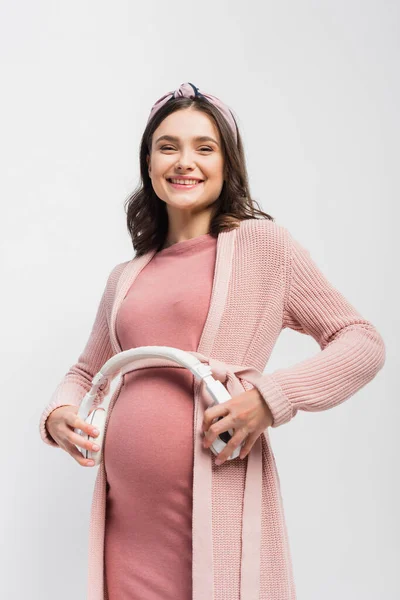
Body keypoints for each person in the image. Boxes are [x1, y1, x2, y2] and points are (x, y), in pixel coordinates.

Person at [39, 82, 386, 600]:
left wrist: (272, 400)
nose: (185, 162)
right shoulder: (126, 275)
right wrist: (59, 414)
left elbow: (360, 340)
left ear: (228, 164)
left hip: (216, 510)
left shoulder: (264, 247)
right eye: (168, 146)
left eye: (205, 147)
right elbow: (87, 372)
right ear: (149, 163)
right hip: (127, 527)